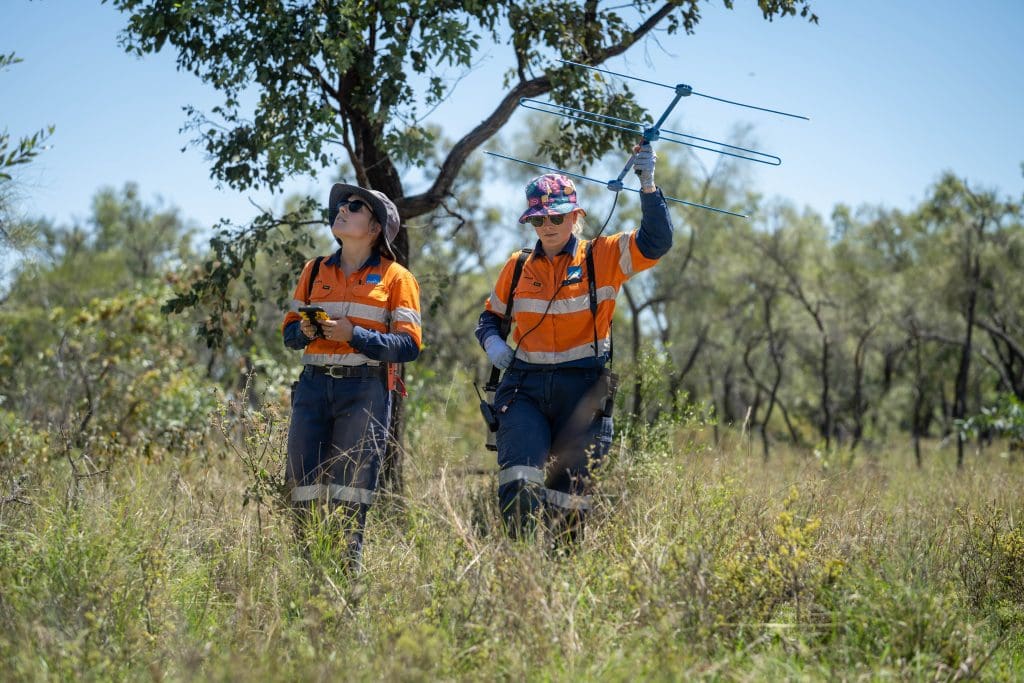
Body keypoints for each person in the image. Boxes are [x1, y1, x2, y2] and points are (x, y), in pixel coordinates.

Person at [476, 144, 672, 543]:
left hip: (582, 390)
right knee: (518, 480)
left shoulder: (603, 255)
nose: (548, 225)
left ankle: (559, 580)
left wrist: (648, 185)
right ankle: (518, 570)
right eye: (539, 219)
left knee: (570, 502)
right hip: (523, 389)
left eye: (557, 216)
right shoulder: (517, 266)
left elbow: (656, 242)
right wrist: (493, 343)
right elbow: (489, 319)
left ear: (576, 216)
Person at [282, 183, 422, 570]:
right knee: (302, 484)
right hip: (311, 386)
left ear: (376, 227)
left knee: (351, 492)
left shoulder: (398, 278)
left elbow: (409, 346)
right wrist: (306, 332)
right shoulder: (313, 271)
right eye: (340, 205)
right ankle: (308, 574)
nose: (341, 209)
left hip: (365, 389)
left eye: (354, 206)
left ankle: (347, 582)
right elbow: (289, 335)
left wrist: (355, 336)